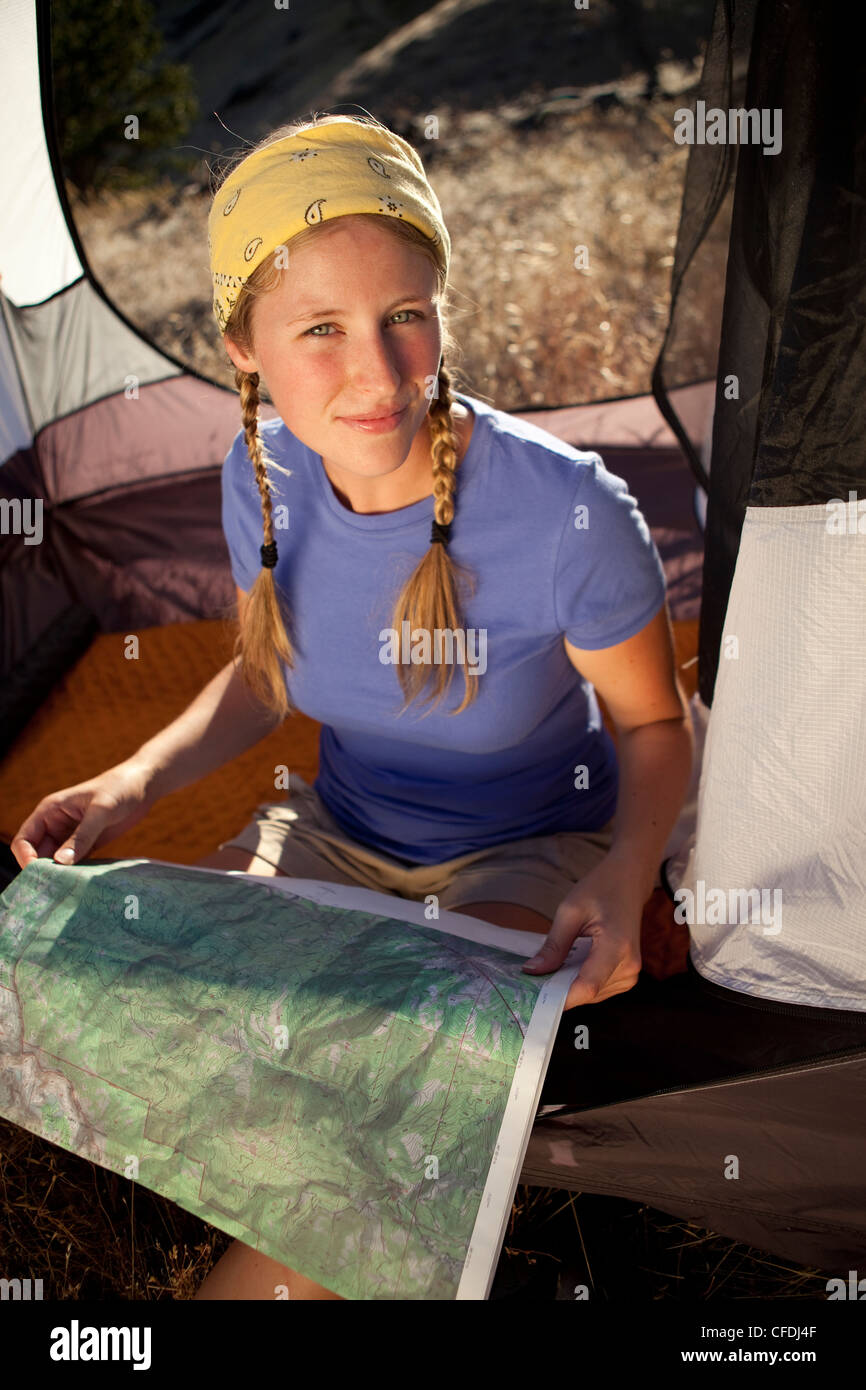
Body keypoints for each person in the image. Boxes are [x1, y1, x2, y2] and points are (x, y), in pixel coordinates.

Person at [10, 112, 693, 1299]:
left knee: (401, 1066)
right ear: (243, 347)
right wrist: (130, 781)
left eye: (404, 317)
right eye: (318, 330)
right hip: (337, 830)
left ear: (440, 309)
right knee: (116, 964)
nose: (375, 374)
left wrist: (626, 873)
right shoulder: (258, 475)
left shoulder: (568, 511)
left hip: (524, 851)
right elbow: (266, 670)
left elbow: (651, 723)